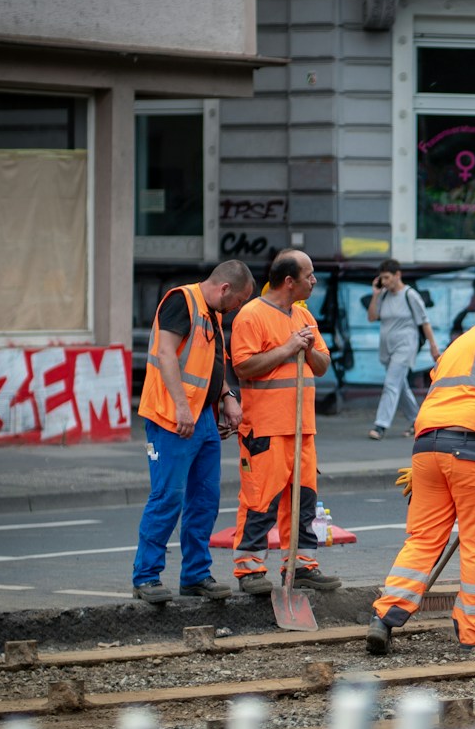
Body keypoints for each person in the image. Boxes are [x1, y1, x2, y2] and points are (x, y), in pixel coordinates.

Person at [366, 297, 475, 655]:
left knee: (423, 539)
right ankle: (471, 636)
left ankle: (383, 618)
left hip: (427, 445)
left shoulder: (456, 345)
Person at [131, 261, 255, 603]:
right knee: (167, 496)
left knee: (204, 500)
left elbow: (215, 364)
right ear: (225, 289)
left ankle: (196, 575)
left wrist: (228, 397)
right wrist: (182, 406)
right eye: (238, 302)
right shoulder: (181, 301)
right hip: (172, 417)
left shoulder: (211, 313)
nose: (237, 310)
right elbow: (165, 353)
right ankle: (146, 577)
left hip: (202, 417)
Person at [228, 250, 342, 596]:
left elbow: (321, 365)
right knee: (260, 500)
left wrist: (306, 349)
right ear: (289, 281)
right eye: (309, 275)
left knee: (304, 501)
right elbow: (243, 367)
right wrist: (289, 346)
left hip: (302, 429)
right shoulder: (251, 316)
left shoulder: (304, 316)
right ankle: (249, 570)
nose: (315, 280)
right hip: (265, 428)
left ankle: (302, 565)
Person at [366, 260, 440, 440]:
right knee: (400, 385)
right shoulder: (383, 295)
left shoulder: (410, 295)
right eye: (381, 278)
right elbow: (372, 317)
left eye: (387, 277)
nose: (384, 282)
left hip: (406, 346)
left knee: (391, 383)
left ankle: (380, 425)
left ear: (397, 275)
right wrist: (375, 294)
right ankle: (418, 421)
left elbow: (424, 322)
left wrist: (433, 346)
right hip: (387, 348)